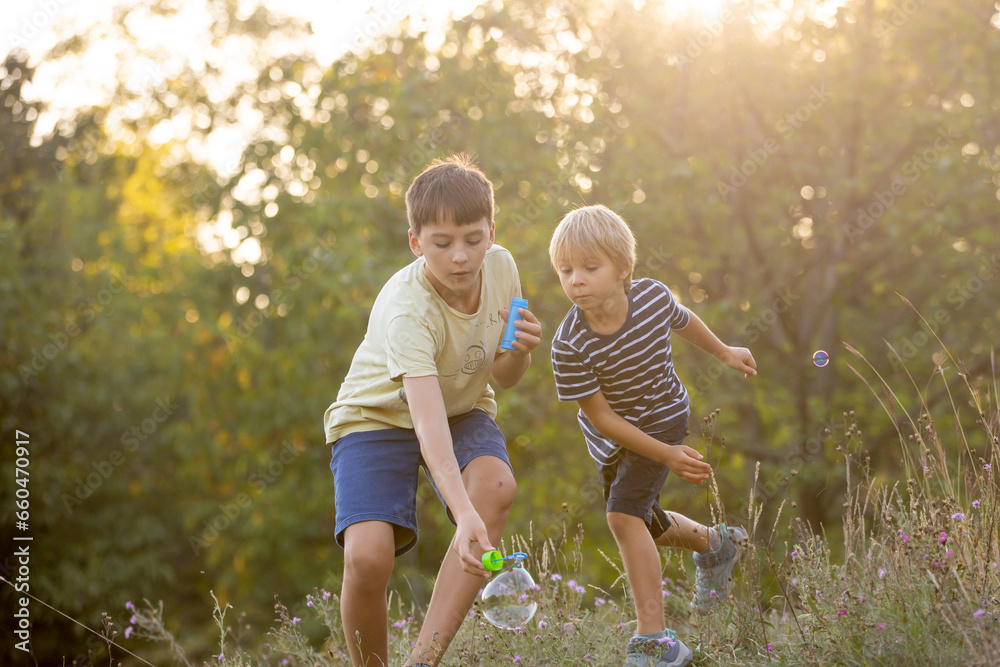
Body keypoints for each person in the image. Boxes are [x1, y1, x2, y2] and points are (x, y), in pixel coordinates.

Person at [324, 154, 542, 667]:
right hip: (375, 418)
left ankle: (423, 662)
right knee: (367, 556)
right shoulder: (408, 310)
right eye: (442, 244)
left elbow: (504, 377)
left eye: (473, 238)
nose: (461, 257)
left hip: (463, 407)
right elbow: (426, 425)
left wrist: (520, 352)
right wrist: (462, 515)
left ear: (492, 231)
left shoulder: (503, 267)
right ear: (416, 243)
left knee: (496, 486)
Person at [548, 204, 756, 667]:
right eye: (565, 270)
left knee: (622, 518)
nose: (575, 280)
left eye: (589, 267)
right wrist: (664, 455)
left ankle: (654, 642)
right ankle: (718, 545)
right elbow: (602, 418)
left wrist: (724, 352)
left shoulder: (653, 298)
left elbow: (684, 322)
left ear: (623, 268)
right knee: (644, 522)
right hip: (614, 437)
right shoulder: (569, 344)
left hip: (663, 413)